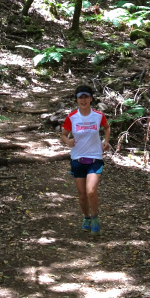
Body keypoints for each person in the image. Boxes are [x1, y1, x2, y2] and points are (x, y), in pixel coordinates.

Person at [61, 84, 110, 234]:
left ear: (91, 99)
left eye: (86, 97)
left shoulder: (98, 115)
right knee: (82, 194)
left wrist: (106, 141)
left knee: (91, 191)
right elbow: (64, 134)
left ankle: (95, 218)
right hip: (77, 158)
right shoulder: (72, 117)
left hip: (95, 157)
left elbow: (106, 127)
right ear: (77, 100)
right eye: (80, 98)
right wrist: (67, 141)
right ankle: (86, 217)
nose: (83, 100)